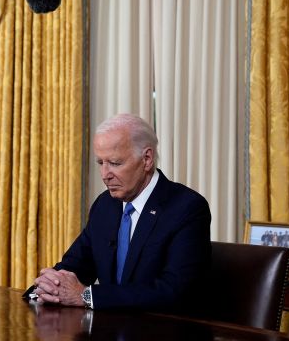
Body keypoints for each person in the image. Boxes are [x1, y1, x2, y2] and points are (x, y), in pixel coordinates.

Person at [26, 113, 212, 312]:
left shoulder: (187, 207)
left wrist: (86, 296)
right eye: (100, 163)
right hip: (108, 328)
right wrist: (44, 289)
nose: (105, 175)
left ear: (147, 159)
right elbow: (75, 265)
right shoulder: (105, 205)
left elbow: (173, 291)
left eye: (115, 163)